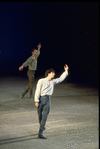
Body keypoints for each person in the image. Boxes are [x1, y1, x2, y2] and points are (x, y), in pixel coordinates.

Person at [34, 64, 69, 139]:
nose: (54, 74)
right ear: (49, 73)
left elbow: (60, 79)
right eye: (53, 73)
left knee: (44, 117)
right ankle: (42, 127)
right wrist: (36, 101)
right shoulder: (41, 81)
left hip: (48, 100)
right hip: (41, 99)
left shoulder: (53, 82)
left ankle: (40, 133)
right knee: (40, 116)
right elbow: (37, 91)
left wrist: (66, 71)